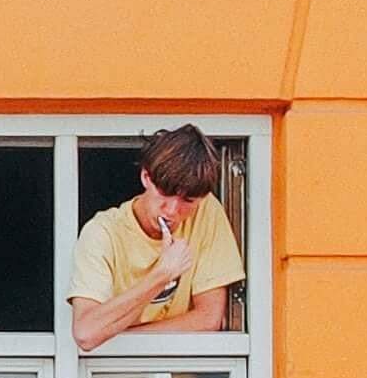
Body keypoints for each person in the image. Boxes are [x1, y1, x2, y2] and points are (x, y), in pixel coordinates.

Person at [69, 124, 243, 351]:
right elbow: (86, 333)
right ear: (146, 177)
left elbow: (209, 319)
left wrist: (118, 334)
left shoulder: (207, 211)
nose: (172, 210)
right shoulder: (103, 232)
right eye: (165, 193)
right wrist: (162, 275)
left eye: (187, 201)